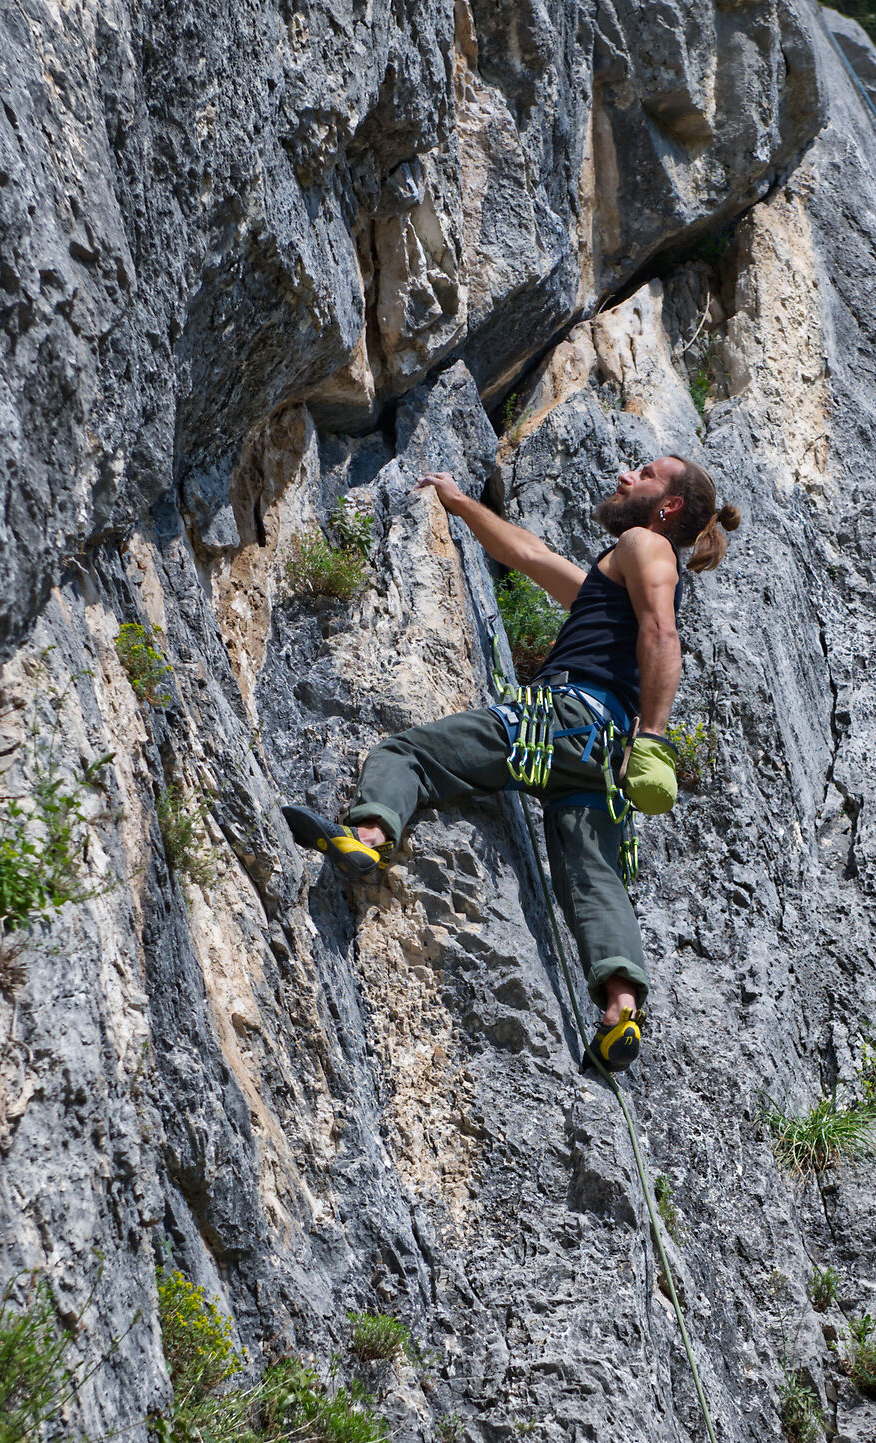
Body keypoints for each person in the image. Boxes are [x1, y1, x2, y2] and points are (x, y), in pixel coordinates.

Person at [283, 456, 741, 1073]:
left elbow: (663, 634)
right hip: (598, 761)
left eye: (645, 473)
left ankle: (369, 835)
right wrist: (460, 501)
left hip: (565, 719)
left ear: (670, 507)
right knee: (593, 877)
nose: (625, 475)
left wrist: (655, 739)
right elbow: (528, 555)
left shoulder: (645, 546)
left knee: (408, 752)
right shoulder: (610, 589)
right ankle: (620, 1009)